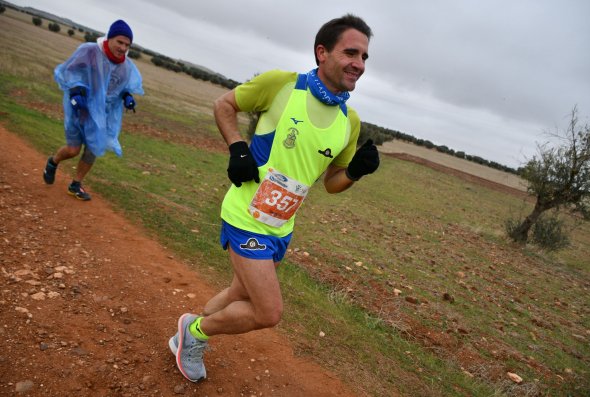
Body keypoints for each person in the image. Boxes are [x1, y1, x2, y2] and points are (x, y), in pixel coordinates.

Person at [169, 14, 380, 382]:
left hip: (281, 226)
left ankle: (190, 328)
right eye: (351, 53)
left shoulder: (351, 121)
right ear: (321, 52)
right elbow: (224, 105)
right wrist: (237, 148)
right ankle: (196, 334)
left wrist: (356, 173)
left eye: (364, 57)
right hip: (244, 216)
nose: (359, 64)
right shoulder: (282, 85)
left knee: (239, 291)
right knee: (268, 312)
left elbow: (332, 183)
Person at [43, 19, 144, 200]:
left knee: (93, 148)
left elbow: (123, 86)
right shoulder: (89, 51)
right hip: (79, 108)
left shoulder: (125, 66)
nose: (123, 48)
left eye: (127, 44)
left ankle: (76, 184)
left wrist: (127, 96)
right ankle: (53, 162)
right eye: (119, 42)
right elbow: (70, 71)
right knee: (73, 150)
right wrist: (75, 90)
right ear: (110, 38)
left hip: (100, 114)